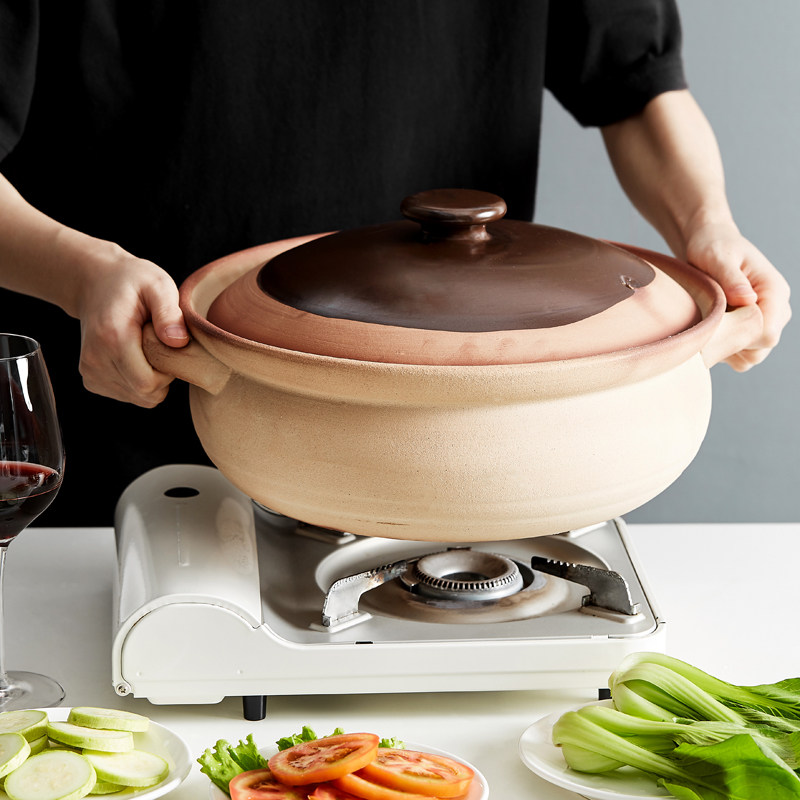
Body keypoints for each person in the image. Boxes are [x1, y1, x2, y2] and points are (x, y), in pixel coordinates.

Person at [0, 1, 791, 526]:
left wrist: (707, 223)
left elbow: (637, 80)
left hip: (484, 443)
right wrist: (82, 274)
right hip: (127, 404)